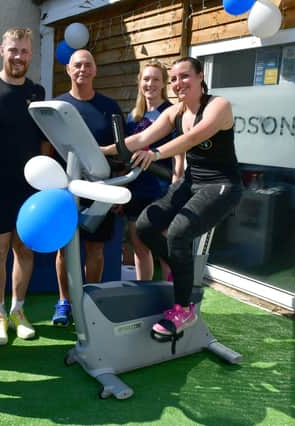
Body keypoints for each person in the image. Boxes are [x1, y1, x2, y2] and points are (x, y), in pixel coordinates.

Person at [103, 57, 242, 336]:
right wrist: (100, 150)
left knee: (179, 233)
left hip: (221, 185)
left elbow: (192, 138)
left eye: (185, 76)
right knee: (144, 226)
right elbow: (138, 140)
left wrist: (155, 154)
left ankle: (183, 309)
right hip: (192, 182)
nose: (179, 83)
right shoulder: (176, 112)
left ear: (201, 77)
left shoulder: (218, 106)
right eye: (175, 78)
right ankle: (181, 271)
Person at [0, 28, 46, 345]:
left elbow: (46, 140)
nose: (19, 57)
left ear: (31, 54)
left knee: (24, 248)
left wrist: (43, 180)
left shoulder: (38, 92)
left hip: (29, 187)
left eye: (24, 51)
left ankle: (18, 310)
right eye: (13, 50)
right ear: (2, 49)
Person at [52, 49, 124, 326]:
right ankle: (64, 302)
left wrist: (117, 189)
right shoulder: (57, 107)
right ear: (68, 70)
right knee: (64, 250)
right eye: (77, 65)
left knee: (95, 250)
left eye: (88, 64)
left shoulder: (110, 107)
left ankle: (89, 301)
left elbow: (120, 150)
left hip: (100, 190)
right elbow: (47, 150)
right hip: (65, 190)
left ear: (95, 70)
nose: (82, 69)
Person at [124, 59, 184, 281]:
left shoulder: (171, 112)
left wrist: (177, 182)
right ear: (140, 82)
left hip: (161, 190)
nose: (151, 83)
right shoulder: (133, 116)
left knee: (163, 249)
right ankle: (144, 292)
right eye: (146, 79)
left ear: (164, 83)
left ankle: (172, 299)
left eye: (156, 79)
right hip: (136, 189)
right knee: (139, 246)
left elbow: (180, 151)